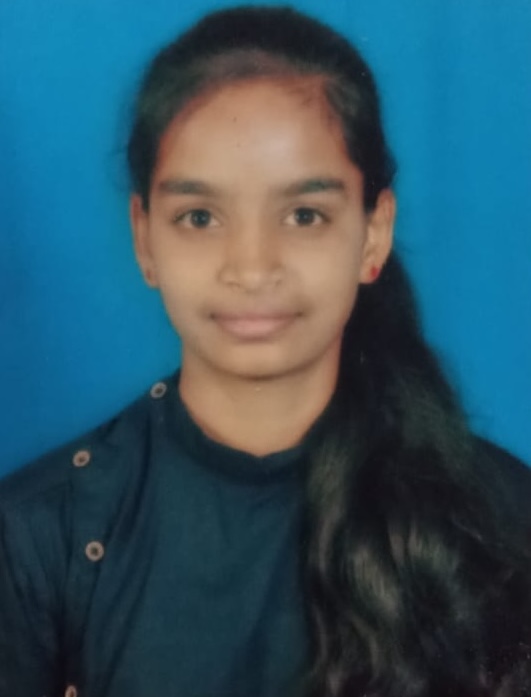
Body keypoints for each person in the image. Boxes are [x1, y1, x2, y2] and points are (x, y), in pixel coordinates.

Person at [1, 5, 530, 697]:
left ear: (372, 234)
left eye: (304, 215)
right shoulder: (41, 536)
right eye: (199, 217)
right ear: (144, 239)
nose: (251, 268)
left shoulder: (500, 518)